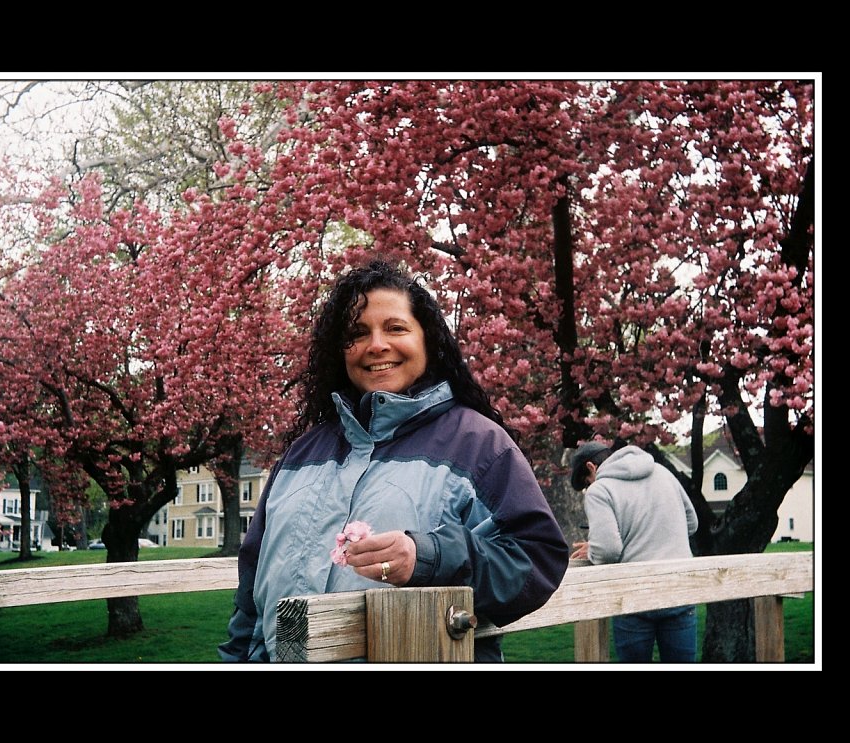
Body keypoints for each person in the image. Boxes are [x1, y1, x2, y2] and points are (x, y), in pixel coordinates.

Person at [219, 259, 569, 662]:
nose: (377, 345)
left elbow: (537, 559)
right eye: (357, 333)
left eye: (396, 328)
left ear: (428, 340)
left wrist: (429, 558)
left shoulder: (478, 444)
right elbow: (251, 591)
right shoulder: (301, 453)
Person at [569, 441, 699, 663]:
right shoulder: (662, 472)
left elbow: (608, 550)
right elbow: (691, 524)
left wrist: (595, 549)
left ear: (591, 467)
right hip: (680, 589)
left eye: (585, 481)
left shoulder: (599, 489)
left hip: (635, 596)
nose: (588, 486)